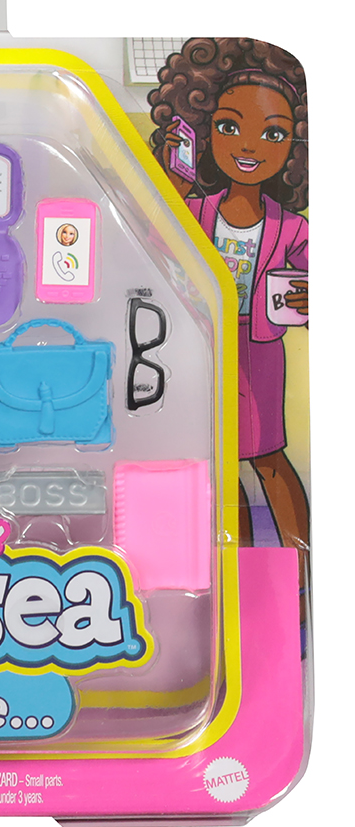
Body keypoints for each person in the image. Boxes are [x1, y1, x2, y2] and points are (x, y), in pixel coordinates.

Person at [149, 38, 309, 576]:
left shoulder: (293, 228)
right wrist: (173, 186)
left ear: (294, 148)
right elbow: (153, 249)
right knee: (219, 462)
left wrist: (306, 297)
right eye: (228, 126)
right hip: (200, 347)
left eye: (273, 134)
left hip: (258, 352)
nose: (249, 146)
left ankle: (299, 575)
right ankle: (233, 575)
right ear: (203, 129)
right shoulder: (193, 211)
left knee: (267, 460)